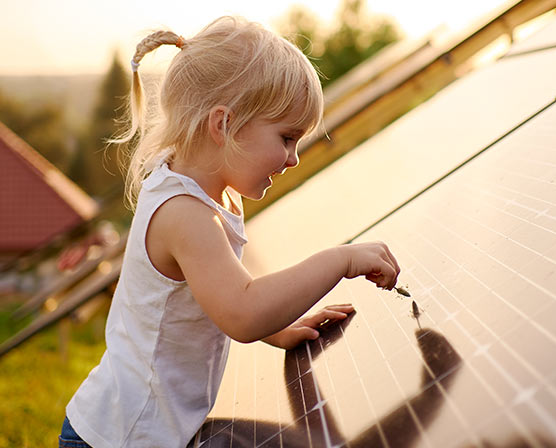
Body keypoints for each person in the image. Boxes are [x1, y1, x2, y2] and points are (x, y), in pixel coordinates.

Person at [60, 15, 401, 448]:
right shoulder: (184, 213)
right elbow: (241, 312)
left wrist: (279, 329)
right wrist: (342, 259)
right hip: (120, 437)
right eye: (286, 137)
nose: (293, 157)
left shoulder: (212, 194)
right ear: (222, 125)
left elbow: (219, 294)